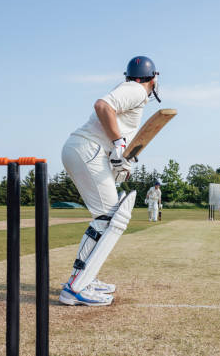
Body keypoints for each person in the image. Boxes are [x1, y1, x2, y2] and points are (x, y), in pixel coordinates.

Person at [59, 56, 161, 306]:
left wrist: (119, 158)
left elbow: (112, 125)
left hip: (86, 150)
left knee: (106, 216)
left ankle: (85, 277)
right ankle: (75, 287)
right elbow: (102, 106)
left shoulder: (134, 91)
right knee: (108, 217)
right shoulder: (137, 89)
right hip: (87, 149)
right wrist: (118, 144)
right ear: (153, 78)